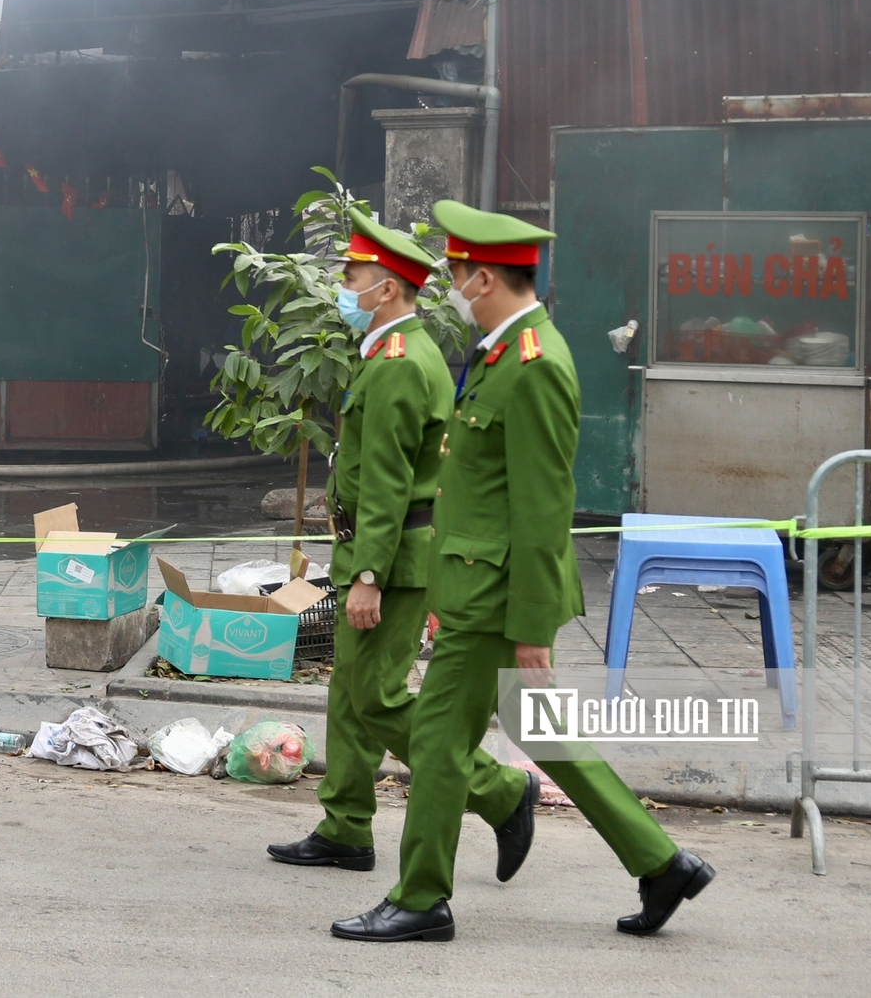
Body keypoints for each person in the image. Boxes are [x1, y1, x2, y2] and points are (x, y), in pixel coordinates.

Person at [332, 201, 714, 944]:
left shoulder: (536, 365)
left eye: (454, 276)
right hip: (482, 587)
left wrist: (533, 627)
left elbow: (544, 507)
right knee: (547, 735)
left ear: (483, 279)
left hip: (498, 597)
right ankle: (661, 860)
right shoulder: (506, 351)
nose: (447, 289)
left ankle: (420, 898)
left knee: (440, 742)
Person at [267, 212, 535, 884]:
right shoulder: (398, 352)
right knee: (350, 692)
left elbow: (387, 485)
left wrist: (366, 574)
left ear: (385, 289)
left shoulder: (397, 364)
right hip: (385, 550)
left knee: (376, 695)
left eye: (351, 277)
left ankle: (500, 791)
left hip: (392, 558)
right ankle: (346, 824)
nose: (342, 288)